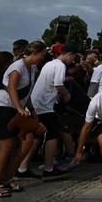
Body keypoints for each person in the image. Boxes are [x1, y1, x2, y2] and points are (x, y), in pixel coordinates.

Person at [0, 41, 44, 196]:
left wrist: (31, 109)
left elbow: (27, 92)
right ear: (35, 52)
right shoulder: (17, 67)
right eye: (42, 54)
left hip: (15, 109)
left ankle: (7, 177)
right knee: (7, 145)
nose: (42, 58)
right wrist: (19, 108)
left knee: (21, 143)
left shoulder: (32, 68)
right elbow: (11, 88)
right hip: (4, 107)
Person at [30, 44, 76, 180]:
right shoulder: (61, 65)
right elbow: (58, 84)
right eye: (73, 57)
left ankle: (22, 166)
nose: (72, 61)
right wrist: (67, 94)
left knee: (37, 136)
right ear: (69, 54)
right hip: (46, 104)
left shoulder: (50, 64)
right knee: (52, 134)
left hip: (36, 102)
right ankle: (49, 168)